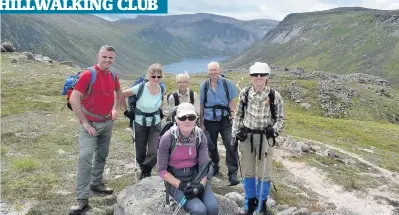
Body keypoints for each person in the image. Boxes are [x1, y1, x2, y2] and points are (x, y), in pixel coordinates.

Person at [68, 45, 122, 215]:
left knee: (102, 154)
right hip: (90, 124)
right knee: (85, 158)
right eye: (104, 57)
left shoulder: (113, 74)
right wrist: (84, 122)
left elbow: (119, 91)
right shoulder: (88, 74)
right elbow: (74, 98)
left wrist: (115, 109)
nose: (107, 60)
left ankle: (96, 183)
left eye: (110, 58)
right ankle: (82, 199)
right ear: (98, 56)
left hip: (107, 122)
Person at [231, 62, 285, 215]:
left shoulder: (275, 96)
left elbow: (280, 119)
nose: (258, 77)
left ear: (267, 76)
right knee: (247, 171)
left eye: (262, 74)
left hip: (265, 138)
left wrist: (273, 130)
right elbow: (239, 115)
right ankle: (249, 203)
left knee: (264, 173)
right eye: (255, 75)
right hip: (246, 137)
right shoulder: (245, 93)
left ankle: (261, 205)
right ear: (251, 77)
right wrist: (235, 135)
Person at [157, 102, 219, 215]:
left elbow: (204, 167)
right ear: (177, 119)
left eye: (191, 117)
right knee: (199, 210)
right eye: (182, 117)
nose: (187, 120)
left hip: (197, 177)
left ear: (196, 119)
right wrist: (182, 185)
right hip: (176, 180)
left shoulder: (200, 136)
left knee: (213, 209)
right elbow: (162, 171)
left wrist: (200, 186)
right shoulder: (167, 138)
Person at [120, 63, 165, 180]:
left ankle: (146, 170)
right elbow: (121, 95)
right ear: (148, 76)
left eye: (158, 77)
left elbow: (161, 100)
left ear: (161, 77)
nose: (156, 79)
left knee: (155, 150)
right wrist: (125, 111)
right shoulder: (140, 88)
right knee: (140, 152)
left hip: (155, 123)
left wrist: (160, 110)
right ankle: (143, 169)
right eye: (153, 76)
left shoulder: (162, 88)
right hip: (139, 123)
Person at [199, 61, 240, 186]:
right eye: (211, 70)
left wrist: (232, 111)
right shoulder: (204, 86)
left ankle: (232, 173)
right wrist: (201, 123)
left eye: (215, 70)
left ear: (219, 70)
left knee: (231, 144)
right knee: (211, 146)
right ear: (208, 71)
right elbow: (201, 105)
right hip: (209, 120)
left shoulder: (227, 84)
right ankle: (215, 165)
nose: (213, 72)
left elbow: (232, 101)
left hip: (225, 120)